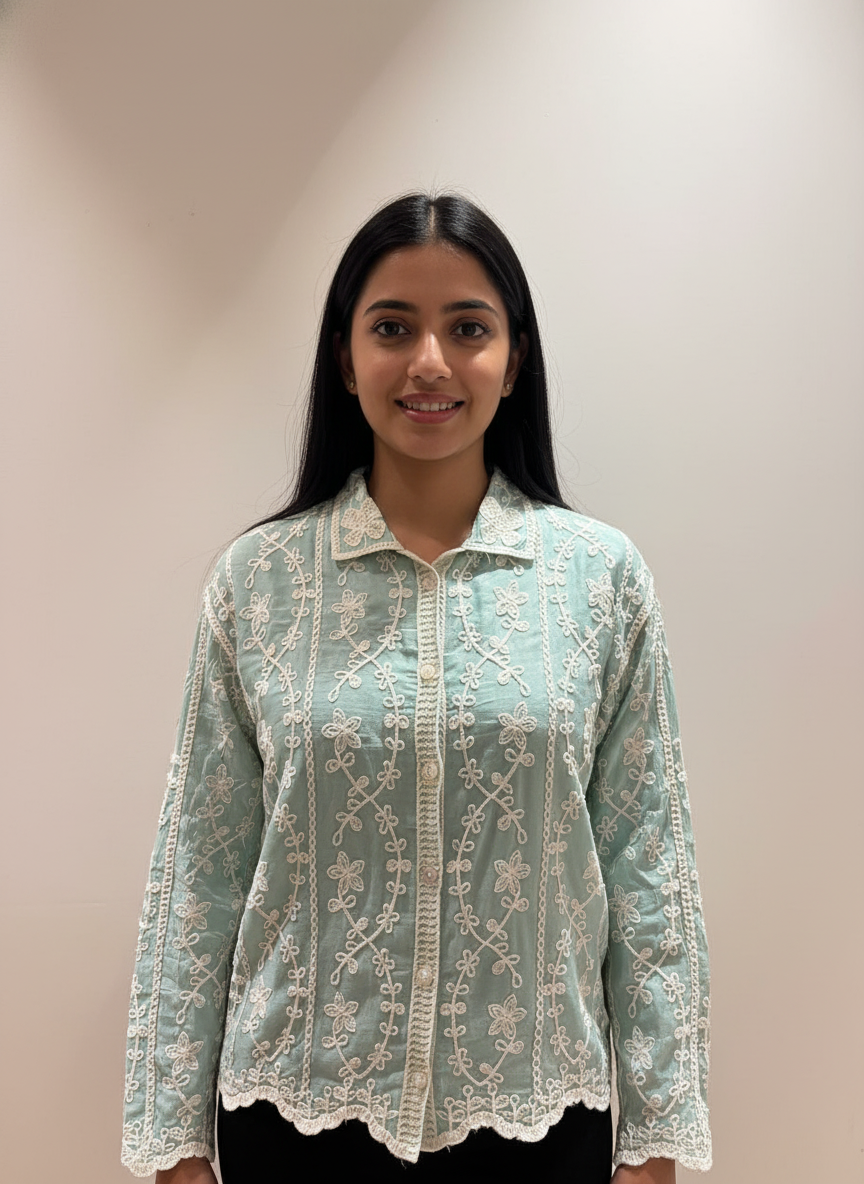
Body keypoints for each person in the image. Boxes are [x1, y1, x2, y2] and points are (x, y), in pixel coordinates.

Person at [121, 193, 711, 1183]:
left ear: (513, 359)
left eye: (467, 328)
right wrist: (174, 1140)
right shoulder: (259, 585)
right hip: (298, 1115)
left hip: (535, 1116)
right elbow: (198, 875)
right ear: (345, 358)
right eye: (393, 326)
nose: (430, 360)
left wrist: (655, 1140)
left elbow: (650, 871)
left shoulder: (600, 581)